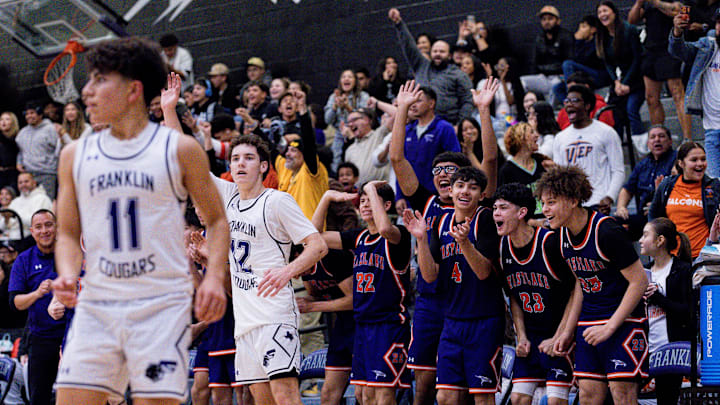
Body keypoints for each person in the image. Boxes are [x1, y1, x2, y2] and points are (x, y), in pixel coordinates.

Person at [52, 38, 230, 405]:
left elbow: (216, 220)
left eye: (99, 80)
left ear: (134, 90)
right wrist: (68, 272)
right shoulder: (74, 155)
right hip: (99, 302)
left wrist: (213, 276)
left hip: (159, 304)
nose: (86, 91)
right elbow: (67, 232)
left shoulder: (180, 150)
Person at [535, 166, 649, 405]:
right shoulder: (562, 235)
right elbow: (580, 281)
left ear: (575, 200)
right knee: (587, 394)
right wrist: (567, 331)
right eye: (543, 203)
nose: (545, 209)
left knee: (622, 393)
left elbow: (639, 282)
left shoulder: (607, 231)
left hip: (623, 321)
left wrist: (609, 327)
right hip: (589, 321)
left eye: (552, 202)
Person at [404, 167, 503, 405]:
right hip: (452, 321)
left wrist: (465, 243)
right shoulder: (439, 223)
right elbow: (429, 276)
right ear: (451, 190)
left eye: (473, 187)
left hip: (484, 320)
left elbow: (483, 272)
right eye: (460, 186)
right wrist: (421, 240)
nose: (465, 191)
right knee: (446, 396)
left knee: (481, 397)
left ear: (481, 195)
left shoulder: (486, 219)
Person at [312, 181, 412, 405]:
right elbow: (314, 235)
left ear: (386, 205)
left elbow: (386, 229)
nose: (366, 204)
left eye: (371, 199)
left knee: (383, 395)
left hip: (388, 325)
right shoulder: (358, 237)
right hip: (363, 326)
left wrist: (370, 189)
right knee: (364, 395)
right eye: (363, 200)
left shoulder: (399, 236)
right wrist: (326, 198)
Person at [493, 184, 577, 405]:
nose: (496, 214)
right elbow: (514, 297)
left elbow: (575, 291)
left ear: (521, 213)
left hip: (560, 334)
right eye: (494, 208)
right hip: (531, 335)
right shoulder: (501, 249)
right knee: (519, 399)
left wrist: (560, 336)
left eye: (502, 208)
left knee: (555, 400)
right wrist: (521, 336)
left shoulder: (549, 243)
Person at [8, 209, 66, 405]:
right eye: (39, 227)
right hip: (41, 339)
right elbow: (15, 303)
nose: (44, 231)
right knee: (38, 398)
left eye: (49, 225)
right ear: (32, 231)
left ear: (57, 228)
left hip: (74, 336)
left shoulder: (70, 254)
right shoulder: (24, 260)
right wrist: (37, 294)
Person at [638, 217, 694, 405]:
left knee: (666, 400)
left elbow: (687, 311)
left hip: (671, 351)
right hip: (644, 348)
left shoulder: (683, 270)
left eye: (645, 235)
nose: (640, 240)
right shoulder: (642, 271)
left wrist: (659, 298)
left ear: (660, 240)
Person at [389, 8, 474, 124]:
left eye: (442, 51)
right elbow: (409, 46)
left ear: (449, 56)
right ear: (430, 53)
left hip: (448, 124)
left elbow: (467, 101)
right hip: (419, 122)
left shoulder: (458, 74)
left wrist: (460, 125)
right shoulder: (421, 65)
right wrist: (399, 24)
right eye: (435, 51)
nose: (438, 54)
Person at [552, 85, 624, 215]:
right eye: (566, 101)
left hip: (599, 204)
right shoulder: (560, 138)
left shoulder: (606, 132)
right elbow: (560, 176)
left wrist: (610, 197)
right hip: (573, 206)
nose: (569, 105)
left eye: (574, 101)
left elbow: (618, 170)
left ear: (587, 105)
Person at [297, 249, 354, 405]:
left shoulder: (330, 259)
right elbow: (316, 296)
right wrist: (303, 302)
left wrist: (312, 306)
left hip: (363, 324)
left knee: (365, 393)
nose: (294, 276)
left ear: (297, 257)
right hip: (342, 326)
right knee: (328, 395)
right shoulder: (306, 273)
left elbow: (354, 300)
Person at [629, 0, 692, 140]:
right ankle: (659, 137)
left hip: (670, 47)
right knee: (651, 98)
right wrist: (639, 3)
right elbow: (632, 20)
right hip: (651, 49)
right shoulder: (646, 4)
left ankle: (688, 138)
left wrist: (655, 2)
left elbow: (678, 11)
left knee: (677, 93)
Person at [669, 7, 720, 177]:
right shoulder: (708, 46)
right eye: (719, 22)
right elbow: (679, 51)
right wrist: (677, 32)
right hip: (712, 129)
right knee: (714, 183)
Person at [649, 142, 720, 258]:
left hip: (703, 257)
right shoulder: (667, 185)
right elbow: (654, 215)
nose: (700, 164)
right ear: (681, 163)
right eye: (694, 160)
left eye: (703, 159)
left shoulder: (714, 187)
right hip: (672, 256)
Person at [395, 83, 460, 195]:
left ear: (431, 103)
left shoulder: (444, 128)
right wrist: (400, 195)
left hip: (437, 193)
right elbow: (400, 164)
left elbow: (456, 162)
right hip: (410, 194)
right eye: (412, 101)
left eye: (418, 101)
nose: (413, 105)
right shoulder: (407, 130)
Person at [615, 125, 677, 240]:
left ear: (670, 141)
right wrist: (621, 207)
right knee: (614, 225)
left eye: (661, 136)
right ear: (648, 143)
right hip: (643, 216)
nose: (657, 140)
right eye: (653, 137)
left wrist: (657, 205)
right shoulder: (642, 164)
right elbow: (627, 189)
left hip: (665, 214)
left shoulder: (677, 161)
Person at [596, 1, 646, 140]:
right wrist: (617, 82)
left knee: (631, 110)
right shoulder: (602, 35)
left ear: (614, 12)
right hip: (620, 81)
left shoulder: (628, 30)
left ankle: (642, 147)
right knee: (614, 113)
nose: (602, 15)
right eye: (599, 12)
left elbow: (637, 58)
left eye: (605, 11)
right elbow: (608, 63)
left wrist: (626, 82)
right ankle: (616, 146)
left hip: (637, 79)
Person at [521, 5, 574, 106]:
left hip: (559, 77)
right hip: (544, 77)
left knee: (555, 88)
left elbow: (568, 61)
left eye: (550, 19)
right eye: (544, 19)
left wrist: (545, 69)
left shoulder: (566, 36)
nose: (546, 22)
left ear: (558, 21)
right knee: (522, 81)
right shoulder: (539, 39)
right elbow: (534, 63)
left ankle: (549, 115)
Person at [554, 15, 610, 103]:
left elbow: (584, 60)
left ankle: (572, 95)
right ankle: (569, 104)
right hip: (586, 75)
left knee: (567, 64)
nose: (580, 30)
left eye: (584, 27)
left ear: (593, 29)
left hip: (600, 75)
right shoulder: (583, 43)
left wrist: (578, 41)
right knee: (557, 88)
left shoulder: (598, 41)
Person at [324, 69, 370, 171]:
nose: (346, 79)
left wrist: (347, 107)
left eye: (350, 77)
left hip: (358, 135)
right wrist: (335, 106)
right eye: (344, 77)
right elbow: (327, 120)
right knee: (336, 164)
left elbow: (365, 116)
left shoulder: (363, 96)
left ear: (355, 81)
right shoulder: (334, 97)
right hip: (340, 135)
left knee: (358, 163)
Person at [15, 101, 60, 199]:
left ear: (40, 114)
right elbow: (21, 151)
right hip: (29, 176)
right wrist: (19, 162)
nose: (29, 116)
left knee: (46, 204)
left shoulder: (51, 129)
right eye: (27, 114)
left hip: (47, 174)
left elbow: (59, 150)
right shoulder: (22, 133)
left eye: (32, 113)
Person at [341, 108, 393, 185]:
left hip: (381, 191)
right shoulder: (349, 149)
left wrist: (376, 103)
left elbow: (396, 114)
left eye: (354, 120)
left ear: (368, 120)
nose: (350, 124)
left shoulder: (379, 134)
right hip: (360, 194)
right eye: (348, 122)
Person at [8, 172, 53, 238]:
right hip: (12, 238)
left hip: (32, 239)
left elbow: (36, 223)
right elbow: (3, 226)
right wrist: (6, 219)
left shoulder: (42, 199)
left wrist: (16, 217)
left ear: (34, 183)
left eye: (26, 181)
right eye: (20, 183)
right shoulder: (15, 201)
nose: (23, 185)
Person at [0, 112, 19, 191]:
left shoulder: (19, 138)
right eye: (1, 119)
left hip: (13, 174)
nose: (3, 122)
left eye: (7, 119)